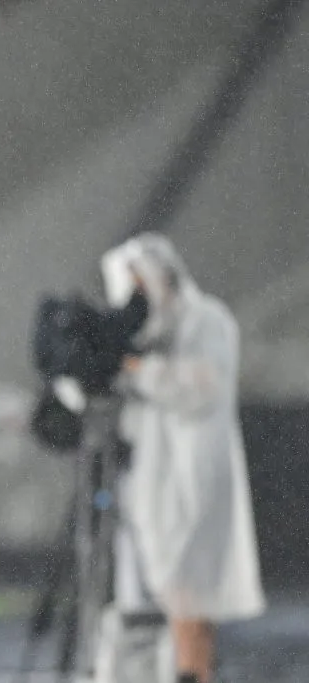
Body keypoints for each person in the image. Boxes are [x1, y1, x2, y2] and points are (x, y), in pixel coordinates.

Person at [98, 232, 265, 683]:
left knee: (189, 588)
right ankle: (189, 671)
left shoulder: (208, 320)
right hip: (155, 473)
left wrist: (134, 368)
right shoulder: (149, 334)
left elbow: (201, 386)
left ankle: (193, 672)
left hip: (194, 472)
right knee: (177, 591)